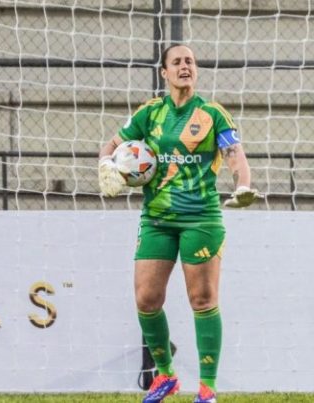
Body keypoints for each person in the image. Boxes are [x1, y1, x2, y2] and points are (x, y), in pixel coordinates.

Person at [98, 43, 261, 403]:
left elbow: (236, 157)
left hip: (201, 219)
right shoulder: (149, 114)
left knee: (202, 299)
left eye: (190, 61)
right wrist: (107, 166)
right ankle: (166, 376)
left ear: (196, 70)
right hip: (156, 220)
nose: (185, 66)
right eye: (177, 61)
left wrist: (244, 186)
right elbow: (109, 146)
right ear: (164, 73)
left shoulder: (213, 114)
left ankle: (206, 390)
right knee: (146, 298)